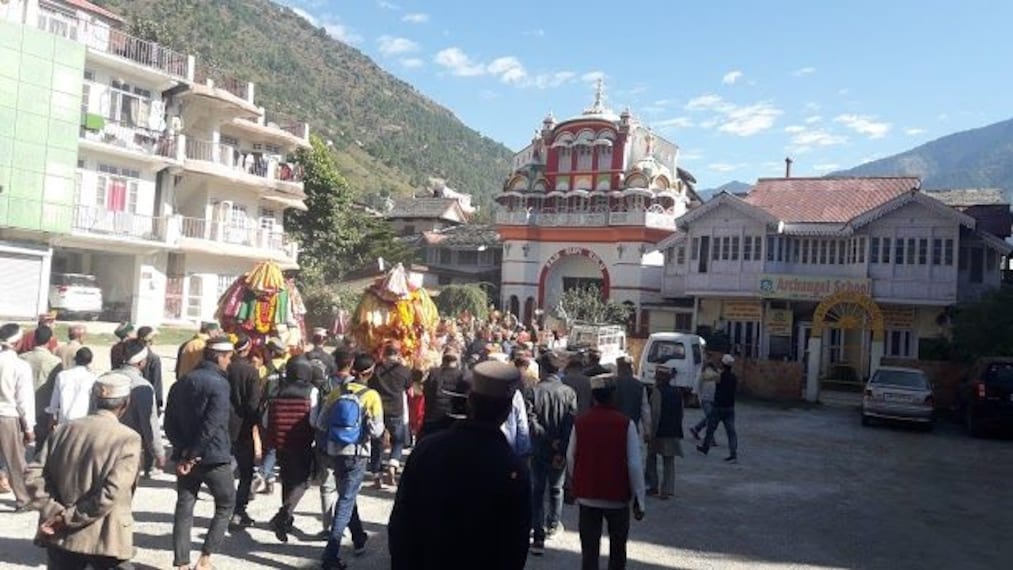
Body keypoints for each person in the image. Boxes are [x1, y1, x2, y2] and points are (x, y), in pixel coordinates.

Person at [389, 361, 532, 569]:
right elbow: (515, 547)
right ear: (508, 410)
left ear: (470, 402)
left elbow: (401, 523)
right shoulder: (513, 468)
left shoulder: (427, 450)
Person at [24, 372, 142, 569]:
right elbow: (110, 493)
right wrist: (68, 517)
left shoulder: (63, 430)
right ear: (126, 403)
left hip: (61, 536)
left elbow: (33, 475)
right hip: (103, 536)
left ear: (94, 399)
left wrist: (55, 511)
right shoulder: (127, 439)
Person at [165, 338, 237, 570]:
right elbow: (213, 423)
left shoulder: (182, 382)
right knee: (226, 503)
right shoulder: (219, 384)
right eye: (228, 357)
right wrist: (194, 453)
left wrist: (183, 451)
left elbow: (169, 423)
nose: (230, 362)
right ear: (218, 357)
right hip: (213, 456)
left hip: (185, 454)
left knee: (184, 506)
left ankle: (181, 562)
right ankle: (205, 559)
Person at [567, 374, 647, 570]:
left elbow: (571, 456)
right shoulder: (626, 424)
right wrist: (639, 498)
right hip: (617, 497)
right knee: (618, 550)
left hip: (588, 495)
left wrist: (576, 482)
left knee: (589, 550)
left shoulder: (581, 423)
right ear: (613, 396)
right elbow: (634, 464)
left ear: (594, 396)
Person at [316, 353, 384, 570]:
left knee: (347, 493)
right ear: (370, 373)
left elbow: (321, 422)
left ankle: (359, 538)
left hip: (335, 451)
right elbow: (377, 431)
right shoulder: (371, 396)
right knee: (346, 499)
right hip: (357, 452)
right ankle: (331, 555)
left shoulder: (338, 392)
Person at [528, 352, 577, 556]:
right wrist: (561, 445)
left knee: (537, 490)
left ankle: (537, 531)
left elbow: (531, 421)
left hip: (539, 448)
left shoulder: (533, 391)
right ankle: (553, 525)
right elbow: (570, 421)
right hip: (559, 450)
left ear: (543, 369)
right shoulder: (569, 392)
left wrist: (547, 439)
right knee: (556, 489)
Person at [266, 356, 320, 543]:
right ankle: (283, 516)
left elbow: (266, 420)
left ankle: (286, 520)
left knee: (287, 480)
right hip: (302, 442)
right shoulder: (311, 391)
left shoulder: (277, 390)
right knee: (304, 481)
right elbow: (314, 420)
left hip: (280, 444)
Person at [227, 334, 262, 529]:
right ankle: (238, 510)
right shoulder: (251, 371)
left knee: (225, 468)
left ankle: (225, 507)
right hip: (243, 427)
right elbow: (253, 403)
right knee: (246, 471)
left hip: (224, 424)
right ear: (247, 349)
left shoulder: (225, 368)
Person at [0, 323, 35, 511]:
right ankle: (23, 499)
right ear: (18, 342)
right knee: (15, 461)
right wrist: (29, 427)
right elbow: (24, 400)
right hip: (7, 416)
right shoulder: (20, 366)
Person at [118, 340, 165, 479]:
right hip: (129, 446)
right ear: (141, 363)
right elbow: (149, 423)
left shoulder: (104, 379)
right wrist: (158, 452)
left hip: (102, 444)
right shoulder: (142, 386)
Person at [369, 344, 412, 488]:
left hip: (378, 409)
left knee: (377, 442)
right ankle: (393, 464)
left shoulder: (376, 369)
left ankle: (376, 476)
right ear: (398, 354)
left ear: (384, 353)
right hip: (396, 409)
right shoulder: (404, 370)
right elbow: (409, 388)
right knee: (398, 440)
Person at [253, 337, 289, 495]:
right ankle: (270, 481)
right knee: (273, 445)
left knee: (270, 444)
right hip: (288, 410)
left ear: (272, 352)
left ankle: (260, 474)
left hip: (268, 409)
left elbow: (258, 392)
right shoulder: (290, 367)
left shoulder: (264, 370)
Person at [21, 325, 62, 449]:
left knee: (21, 441)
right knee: (41, 444)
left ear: (34, 339)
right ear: (50, 340)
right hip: (44, 406)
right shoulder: (56, 362)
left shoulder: (22, 358)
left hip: (24, 405)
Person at [645, 368, 683, 500]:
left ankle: (652, 485)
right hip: (673, 430)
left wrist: (651, 433)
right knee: (669, 460)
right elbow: (681, 413)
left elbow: (655, 414)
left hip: (660, 431)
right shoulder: (677, 392)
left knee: (651, 457)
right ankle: (667, 489)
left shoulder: (657, 392)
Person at [697, 354, 739, 463]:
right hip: (730, 407)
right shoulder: (734, 378)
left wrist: (707, 367)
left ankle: (705, 448)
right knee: (731, 432)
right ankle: (733, 454)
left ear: (723, 364)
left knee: (710, 429)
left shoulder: (720, 376)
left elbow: (705, 377)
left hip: (718, 407)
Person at [47, 347, 98, 426]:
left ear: (75, 359)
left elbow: (55, 399)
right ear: (90, 361)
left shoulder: (62, 375)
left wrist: (51, 418)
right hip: (83, 420)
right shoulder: (93, 378)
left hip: (63, 419)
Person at [420, 350, 465, 438]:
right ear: (456, 362)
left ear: (443, 361)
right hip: (452, 413)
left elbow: (426, 390)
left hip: (434, 411)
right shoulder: (462, 375)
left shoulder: (434, 373)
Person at [614, 356, 652, 437]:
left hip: (614, 429)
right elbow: (645, 410)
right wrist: (647, 431)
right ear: (631, 368)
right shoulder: (639, 385)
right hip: (633, 429)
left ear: (619, 368)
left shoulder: (612, 384)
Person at [689, 363, 721, 443]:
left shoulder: (715, 373)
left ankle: (696, 429)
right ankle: (710, 438)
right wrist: (695, 395)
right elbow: (697, 384)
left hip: (712, 399)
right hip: (705, 399)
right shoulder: (703, 373)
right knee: (711, 418)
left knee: (710, 417)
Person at [137, 326, 164, 415]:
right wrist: (158, 404)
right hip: (146, 398)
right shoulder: (153, 358)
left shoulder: (130, 353)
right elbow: (156, 383)